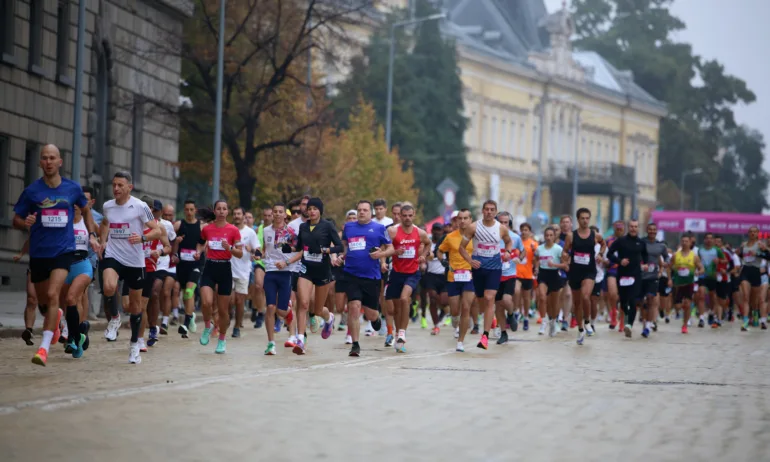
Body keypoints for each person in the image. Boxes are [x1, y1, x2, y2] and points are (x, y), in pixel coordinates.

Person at [13, 144, 99, 366]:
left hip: (63, 251)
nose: (48, 162)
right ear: (40, 162)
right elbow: (16, 220)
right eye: (44, 158)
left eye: (52, 158)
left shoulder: (72, 189)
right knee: (43, 302)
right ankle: (55, 318)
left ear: (60, 162)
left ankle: (43, 348)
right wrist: (26, 222)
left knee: (54, 295)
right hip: (40, 253)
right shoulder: (32, 191)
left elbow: (86, 209)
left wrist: (92, 234)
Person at [99, 171, 161, 364]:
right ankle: (115, 318)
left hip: (135, 261)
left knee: (135, 307)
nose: (116, 189)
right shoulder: (107, 206)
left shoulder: (140, 206)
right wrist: (102, 241)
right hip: (114, 255)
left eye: (120, 185)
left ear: (129, 187)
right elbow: (105, 223)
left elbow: (158, 230)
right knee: (108, 287)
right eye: (114, 185)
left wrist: (143, 238)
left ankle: (134, 345)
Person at [285, 197, 342, 355]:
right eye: (309, 209)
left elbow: (339, 246)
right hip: (306, 269)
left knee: (317, 310)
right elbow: (298, 246)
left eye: (315, 209)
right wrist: (287, 247)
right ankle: (301, 339)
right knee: (303, 303)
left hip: (322, 271)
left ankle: (328, 317)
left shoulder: (327, 226)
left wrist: (324, 251)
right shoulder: (303, 227)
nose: (311, 211)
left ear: (320, 211)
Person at [458, 200, 515, 350]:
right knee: (482, 301)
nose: (489, 212)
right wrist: (470, 261)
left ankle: (485, 336)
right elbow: (461, 248)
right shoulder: (473, 227)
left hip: (495, 267)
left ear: (495, 212)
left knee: (490, 298)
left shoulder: (501, 229)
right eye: (486, 209)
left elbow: (508, 243)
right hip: (478, 267)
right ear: (482, 211)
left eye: (492, 210)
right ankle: (491, 319)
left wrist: (508, 252)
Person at [339, 200, 392, 356]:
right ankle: (355, 344)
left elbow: (391, 248)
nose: (361, 212)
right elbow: (345, 246)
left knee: (371, 314)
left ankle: (376, 319)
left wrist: (381, 255)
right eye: (359, 210)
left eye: (365, 210)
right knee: (354, 307)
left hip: (371, 276)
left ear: (371, 213)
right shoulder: (349, 227)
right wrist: (341, 256)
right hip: (351, 274)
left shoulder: (380, 228)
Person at [192, 201, 243, 353]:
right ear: (214, 211)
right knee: (206, 302)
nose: (221, 211)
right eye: (219, 209)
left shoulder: (233, 230)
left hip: (225, 268)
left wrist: (230, 248)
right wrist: (198, 252)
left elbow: (240, 254)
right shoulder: (207, 229)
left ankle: (222, 339)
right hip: (210, 267)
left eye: (224, 209)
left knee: (223, 310)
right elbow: (200, 243)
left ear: (228, 212)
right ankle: (208, 326)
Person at [384, 204, 431, 352]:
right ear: (400, 216)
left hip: (412, 272)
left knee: (405, 299)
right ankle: (398, 336)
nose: (407, 218)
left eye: (410, 215)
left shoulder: (420, 232)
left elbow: (428, 244)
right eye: (404, 215)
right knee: (397, 308)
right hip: (396, 272)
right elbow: (384, 247)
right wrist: (392, 254)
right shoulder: (392, 231)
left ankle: (402, 332)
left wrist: (423, 255)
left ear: (414, 215)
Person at [437, 210, 476, 352]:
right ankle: (455, 321)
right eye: (460, 218)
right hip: (453, 277)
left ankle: (460, 341)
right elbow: (440, 251)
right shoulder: (450, 237)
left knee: (466, 307)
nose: (463, 221)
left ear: (471, 219)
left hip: (470, 276)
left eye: (466, 218)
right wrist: (443, 260)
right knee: (455, 310)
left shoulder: (476, 237)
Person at [260, 203, 296, 355]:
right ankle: (270, 343)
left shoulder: (290, 231)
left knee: (281, 310)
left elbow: (298, 251)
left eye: (280, 212)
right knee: (270, 307)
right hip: (270, 272)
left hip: (285, 272)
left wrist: (286, 261)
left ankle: (291, 324)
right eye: (275, 212)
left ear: (284, 215)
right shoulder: (266, 230)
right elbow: (264, 250)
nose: (277, 214)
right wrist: (258, 254)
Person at [561, 208, 599, 345]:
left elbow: (604, 244)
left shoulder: (594, 235)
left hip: (589, 271)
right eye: (582, 218)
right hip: (575, 271)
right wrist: (565, 259)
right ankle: (580, 329)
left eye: (587, 218)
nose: (585, 220)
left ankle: (587, 321)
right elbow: (565, 251)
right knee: (577, 303)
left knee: (585, 296)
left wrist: (600, 254)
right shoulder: (571, 236)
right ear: (578, 220)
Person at [606, 220, 648, 338]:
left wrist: (645, 264)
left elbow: (645, 256)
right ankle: (625, 317)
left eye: (636, 226)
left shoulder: (641, 243)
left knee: (633, 300)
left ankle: (629, 325)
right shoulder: (621, 241)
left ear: (638, 228)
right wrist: (620, 261)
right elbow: (610, 254)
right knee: (624, 302)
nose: (633, 229)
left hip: (636, 275)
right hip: (623, 275)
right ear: (628, 228)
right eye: (631, 226)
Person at [174, 200, 204, 338]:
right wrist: (175, 246)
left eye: (192, 209)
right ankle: (190, 315)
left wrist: (200, 251)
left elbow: (205, 243)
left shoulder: (201, 226)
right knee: (186, 295)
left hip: (196, 264)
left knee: (189, 291)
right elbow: (170, 242)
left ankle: (185, 324)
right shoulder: (179, 225)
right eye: (187, 209)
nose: (189, 212)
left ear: (195, 210)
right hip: (182, 265)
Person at [229, 207, 259, 338]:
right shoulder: (229, 229)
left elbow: (258, 252)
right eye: (234, 214)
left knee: (240, 301)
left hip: (243, 271)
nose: (236, 216)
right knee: (229, 300)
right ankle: (228, 317)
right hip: (228, 269)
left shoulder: (250, 232)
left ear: (243, 216)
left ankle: (237, 326)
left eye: (239, 214)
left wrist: (251, 250)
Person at [494, 211, 524, 344]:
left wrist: (519, 258)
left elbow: (523, 251)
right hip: (494, 275)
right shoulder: (492, 236)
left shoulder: (515, 237)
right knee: (498, 306)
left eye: (506, 222)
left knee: (506, 300)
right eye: (501, 222)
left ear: (510, 223)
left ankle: (511, 315)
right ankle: (503, 333)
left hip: (509, 274)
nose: (503, 225)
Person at [535, 227, 568, 337]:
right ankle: (544, 321)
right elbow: (536, 259)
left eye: (551, 235)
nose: (548, 237)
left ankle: (553, 322)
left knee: (554, 304)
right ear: (544, 237)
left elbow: (565, 265)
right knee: (542, 297)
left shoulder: (558, 249)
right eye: (546, 235)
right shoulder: (539, 248)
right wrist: (536, 268)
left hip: (554, 275)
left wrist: (555, 265)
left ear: (554, 237)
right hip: (543, 275)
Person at [671, 234, 704, 334]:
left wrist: (699, 272)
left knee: (687, 304)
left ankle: (685, 325)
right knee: (677, 306)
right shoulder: (676, 255)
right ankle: (682, 314)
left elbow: (702, 268)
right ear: (681, 242)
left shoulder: (694, 256)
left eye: (686, 241)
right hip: (678, 285)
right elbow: (669, 266)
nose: (684, 243)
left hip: (689, 284)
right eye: (683, 241)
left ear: (690, 243)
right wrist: (670, 277)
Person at [641, 223, 667, 338]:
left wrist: (662, 269)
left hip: (653, 277)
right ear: (647, 230)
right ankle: (644, 323)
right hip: (641, 276)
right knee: (643, 302)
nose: (652, 231)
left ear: (656, 232)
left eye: (654, 230)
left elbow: (666, 257)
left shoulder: (660, 245)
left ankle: (648, 326)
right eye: (650, 229)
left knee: (651, 299)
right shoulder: (641, 242)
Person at [696, 232, 727, 328]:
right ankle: (701, 318)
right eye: (707, 238)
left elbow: (725, 260)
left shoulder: (717, 250)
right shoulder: (700, 249)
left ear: (713, 240)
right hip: (702, 275)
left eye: (711, 238)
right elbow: (697, 261)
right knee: (701, 294)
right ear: (704, 240)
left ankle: (711, 312)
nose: (709, 240)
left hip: (713, 276)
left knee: (712, 296)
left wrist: (719, 261)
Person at [423, 222, 448, 335]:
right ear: (432, 231)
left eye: (439, 230)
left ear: (442, 231)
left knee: (444, 301)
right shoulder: (427, 243)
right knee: (432, 298)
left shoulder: (446, 243)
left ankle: (445, 311)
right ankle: (436, 325)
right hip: (431, 275)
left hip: (444, 275)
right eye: (435, 230)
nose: (437, 232)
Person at [516, 223, 538, 330]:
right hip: (517, 272)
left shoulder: (534, 244)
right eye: (522, 230)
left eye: (526, 230)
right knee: (516, 292)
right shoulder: (516, 242)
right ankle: (516, 312)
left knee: (526, 298)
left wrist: (534, 252)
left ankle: (525, 317)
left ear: (529, 231)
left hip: (528, 274)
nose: (524, 232)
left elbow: (536, 259)